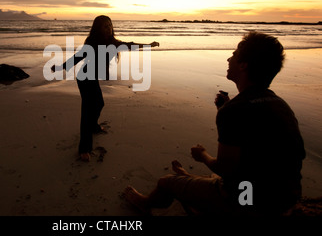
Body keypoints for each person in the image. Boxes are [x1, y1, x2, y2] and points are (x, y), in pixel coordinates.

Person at [124, 31, 305, 215]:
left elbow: (226, 168)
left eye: (233, 55)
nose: (228, 59)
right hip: (285, 200)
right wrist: (224, 109)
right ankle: (193, 182)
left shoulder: (234, 111)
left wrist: (202, 154)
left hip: (247, 202)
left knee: (166, 182)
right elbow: (259, 152)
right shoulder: (281, 105)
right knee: (230, 177)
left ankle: (145, 203)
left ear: (243, 65)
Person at [52, 15, 159, 162]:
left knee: (99, 103)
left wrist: (148, 45)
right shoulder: (91, 42)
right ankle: (84, 149)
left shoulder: (112, 42)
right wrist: (60, 67)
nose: (109, 28)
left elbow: (130, 45)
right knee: (87, 112)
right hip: (84, 78)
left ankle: (94, 127)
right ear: (98, 28)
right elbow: (78, 57)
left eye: (110, 25)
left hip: (92, 78)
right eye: (105, 26)